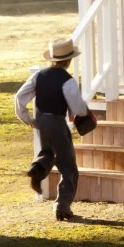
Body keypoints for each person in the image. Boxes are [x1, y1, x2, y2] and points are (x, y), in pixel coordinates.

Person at [14, 37, 90, 221]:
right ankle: (62, 207)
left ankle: (37, 169)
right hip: (57, 122)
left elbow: (19, 97)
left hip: (41, 121)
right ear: (69, 60)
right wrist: (78, 112)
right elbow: (79, 108)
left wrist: (27, 119)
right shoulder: (68, 81)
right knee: (68, 166)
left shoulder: (38, 76)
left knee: (48, 152)